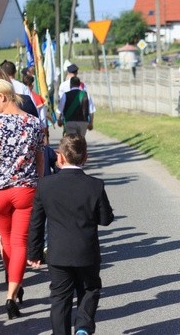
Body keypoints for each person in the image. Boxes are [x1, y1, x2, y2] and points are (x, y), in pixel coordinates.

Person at [27, 134, 114, 335]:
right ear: (85, 157)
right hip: (87, 252)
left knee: (59, 298)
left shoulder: (46, 185)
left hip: (58, 254)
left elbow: (36, 223)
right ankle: (83, 327)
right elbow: (105, 220)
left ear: (60, 157)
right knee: (90, 289)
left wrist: (34, 252)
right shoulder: (95, 185)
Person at [0, 78, 44, 320]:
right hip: (25, 189)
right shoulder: (33, 123)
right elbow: (40, 159)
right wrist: (38, 184)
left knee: (5, 242)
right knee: (20, 243)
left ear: (3, 97)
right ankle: (12, 294)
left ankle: (14, 284)